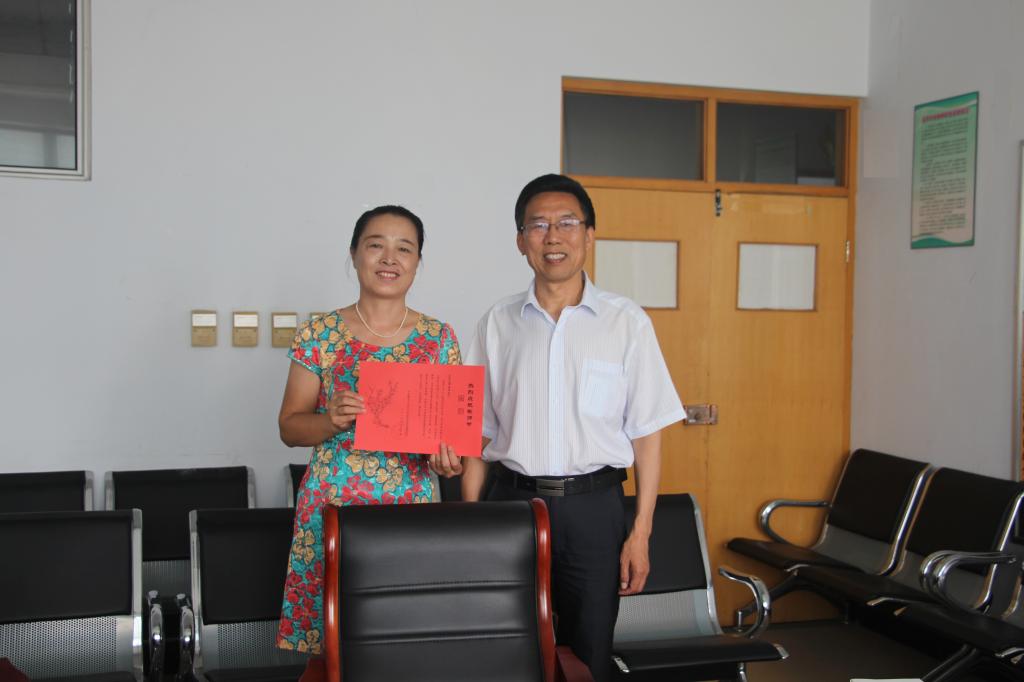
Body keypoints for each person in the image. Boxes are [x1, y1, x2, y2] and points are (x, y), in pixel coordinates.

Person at [430, 174, 685, 681]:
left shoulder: (626, 322)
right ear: (520, 240)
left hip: (594, 510)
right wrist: (470, 522)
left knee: (589, 651)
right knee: (507, 648)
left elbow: (647, 434)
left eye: (567, 223)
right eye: (538, 225)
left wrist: (640, 533)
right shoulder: (497, 322)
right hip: (511, 504)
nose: (553, 236)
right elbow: (477, 433)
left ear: (589, 235)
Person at [276, 205, 461, 657]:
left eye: (404, 248)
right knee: (334, 644)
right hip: (332, 506)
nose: (389, 258)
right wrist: (330, 420)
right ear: (354, 254)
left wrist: (448, 461)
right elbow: (289, 427)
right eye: (376, 245)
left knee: (404, 640)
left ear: (418, 262)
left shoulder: (439, 338)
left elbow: (453, 441)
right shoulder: (320, 333)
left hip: (409, 505)